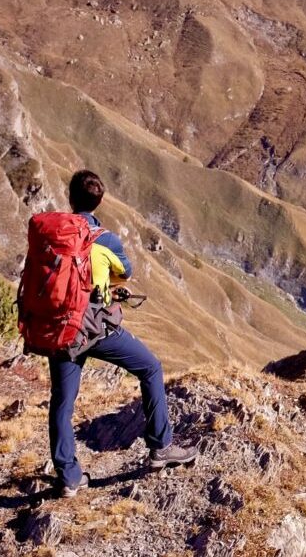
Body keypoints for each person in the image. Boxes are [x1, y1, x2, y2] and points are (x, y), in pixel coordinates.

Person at [48, 169, 196, 495]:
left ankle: (69, 479)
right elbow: (124, 273)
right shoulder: (104, 239)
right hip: (96, 329)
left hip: (61, 330)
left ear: (71, 198)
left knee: (62, 402)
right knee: (151, 367)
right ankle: (161, 448)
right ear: (99, 201)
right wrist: (105, 285)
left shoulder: (53, 234)